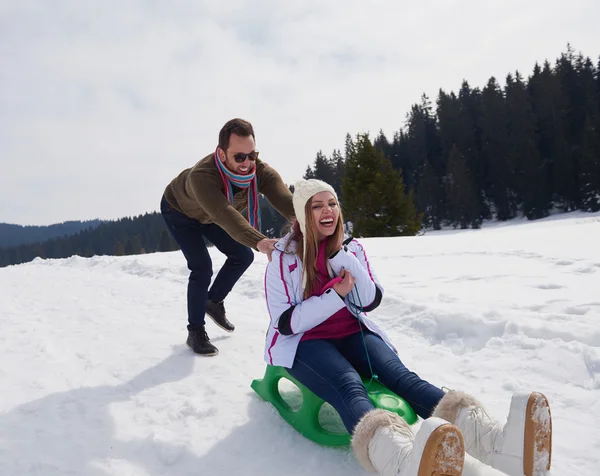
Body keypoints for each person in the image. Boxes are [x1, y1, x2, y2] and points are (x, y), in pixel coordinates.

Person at [262, 178, 552, 476]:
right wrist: (334, 295)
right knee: (349, 385)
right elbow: (287, 323)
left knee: (403, 378)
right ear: (302, 216)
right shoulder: (283, 260)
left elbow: (369, 300)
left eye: (333, 204)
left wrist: (341, 258)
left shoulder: (351, 250)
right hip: (304, 343)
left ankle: (498, 446)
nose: (328, 211)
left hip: (352, 332)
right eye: (317, 206)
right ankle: (399, 464)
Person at [161, 118, 295, 356]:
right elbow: (225, 215)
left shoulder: (259, 171)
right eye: (239, 157)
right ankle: (195, 332)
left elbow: (285, 200)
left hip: (211, 215)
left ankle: (213, 301)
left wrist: (312, 223)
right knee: (202, 267)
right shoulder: (202, 177)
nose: (247, 163)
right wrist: (260, 241)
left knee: (242, 256)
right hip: (179, 211)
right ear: (222, 155)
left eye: (251, 155)